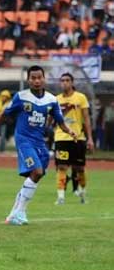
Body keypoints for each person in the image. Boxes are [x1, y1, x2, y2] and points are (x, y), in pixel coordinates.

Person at [0, 66, 76, 226]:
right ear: (28, 80)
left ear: (44, 79)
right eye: (33, 78)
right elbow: (2, 114)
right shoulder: (21, 97)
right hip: (24, 140)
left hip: (39, 142)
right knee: (36, 172)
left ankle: (14, 213)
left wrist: (69, 131)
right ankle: (20, 212)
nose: (36, 81)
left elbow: (60, 121)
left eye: (39, 77)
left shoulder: (51, 100)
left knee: (37, 176)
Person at [54, 73, 94, 205]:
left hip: (78, 138)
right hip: (61, 138)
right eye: (62, 80)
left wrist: (90, 139)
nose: (64, 83)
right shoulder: (56, 99)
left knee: (79, 168)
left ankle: (82, 193)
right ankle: (60, 197)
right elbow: (50, 118)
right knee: (62, 167)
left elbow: (86, 119)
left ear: (72, 82)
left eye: (67, 80)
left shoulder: (80, 98)